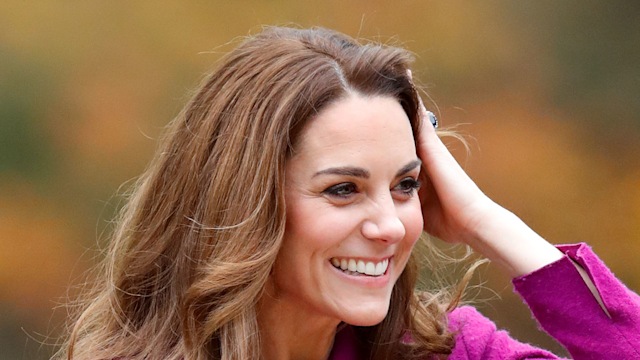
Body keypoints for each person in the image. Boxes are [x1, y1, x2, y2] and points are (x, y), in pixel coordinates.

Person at [59, 26, 640, 360]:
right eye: (343, 189)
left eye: (406, 185)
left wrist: (488, 222)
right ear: (243, 204)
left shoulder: (451, 351)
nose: (389, 225)